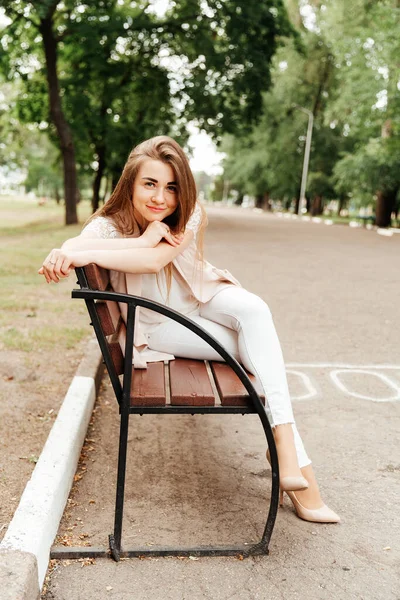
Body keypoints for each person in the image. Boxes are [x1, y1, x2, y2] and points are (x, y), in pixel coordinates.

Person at [39, 135, 339, 524]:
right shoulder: (108, 226)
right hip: (162, 325)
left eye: (171, 187)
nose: (160, 198)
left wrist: (126, 245)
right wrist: (122, 241)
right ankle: (294, 461)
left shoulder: (188, 210)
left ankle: (281, 438)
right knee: (259, 355)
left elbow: (156, 259)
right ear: (130, 183)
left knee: (256, 311)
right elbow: (77, 245)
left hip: (201, 295)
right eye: (150, 184)